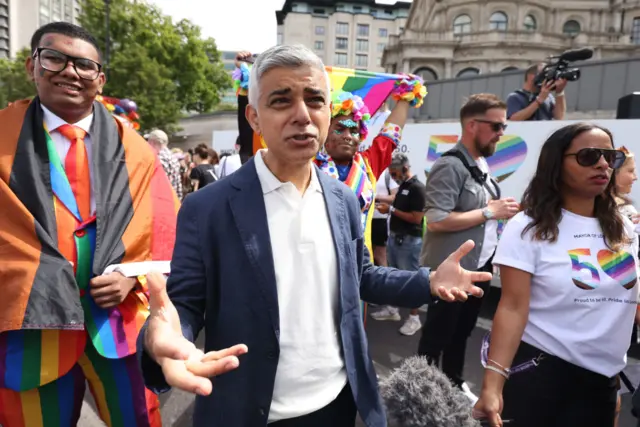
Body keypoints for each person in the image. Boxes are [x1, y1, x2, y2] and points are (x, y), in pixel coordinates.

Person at [136, 44, 491, 427]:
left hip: (338, 404)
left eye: (315, 100)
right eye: (281, 100)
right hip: (247, 411)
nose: (302, 115)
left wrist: (430, 281)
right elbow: (185, 304)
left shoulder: (342, 197)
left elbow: (363, 277)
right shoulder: (208, 207)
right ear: (254, 117)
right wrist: (165, 334)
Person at [0, 22, 179, 427]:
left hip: (113, 325)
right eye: (54, 59)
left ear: (100, 79)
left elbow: (161, 223)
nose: (70, 71)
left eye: (83, 64)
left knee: (137, 418)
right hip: (32, 327)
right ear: (32, 66)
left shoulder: (134, 147)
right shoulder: (1, 136)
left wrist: (131, 278)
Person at [473, 123, 637, 427]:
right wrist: (492, 386)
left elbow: (626, 301)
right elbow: (511, 306)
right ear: (556, 164)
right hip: (542, 375)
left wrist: (611, 383)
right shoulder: (529, 226)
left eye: (610, 157)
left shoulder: (623, 227)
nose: (603, 164)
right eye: (589, 156)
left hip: (603, 382)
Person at [416, 93, 520, 401]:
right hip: (451, 270)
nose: (502, 133)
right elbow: (435, 220)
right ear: (472, 125)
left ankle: (452, 382)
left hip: (478, 267)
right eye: (497, 126)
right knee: (436, 336)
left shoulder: (481, 164)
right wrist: (490, 211)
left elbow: (482, 212)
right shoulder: (450, 165)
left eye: (504, 126)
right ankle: (419, 395)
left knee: (462, 332)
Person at [372, 154, 427, 336]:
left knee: (412, 279)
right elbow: (395, 202)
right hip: (396, 238)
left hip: (410, 241)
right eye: (391, 175)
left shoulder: (418, 188)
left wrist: (391, 210)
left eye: (395, 174)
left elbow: (416, 218)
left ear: (405, 169)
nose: (394, 178)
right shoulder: (403, 186)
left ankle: (414, 318)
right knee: (394, 275)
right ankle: (392, 310)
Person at [371, 167, 398, 266]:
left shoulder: (387, 173)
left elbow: (396, 197)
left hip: (380, 219)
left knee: (380, 255)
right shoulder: (359, 168)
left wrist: (376, 197)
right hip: (362, 220)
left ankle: (386, 280)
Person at [147, 128, 183, 200]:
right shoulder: (173, 157)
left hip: (161, 200)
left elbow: (156, 185)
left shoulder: (158, 159)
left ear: (152, 142)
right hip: (173, 199)